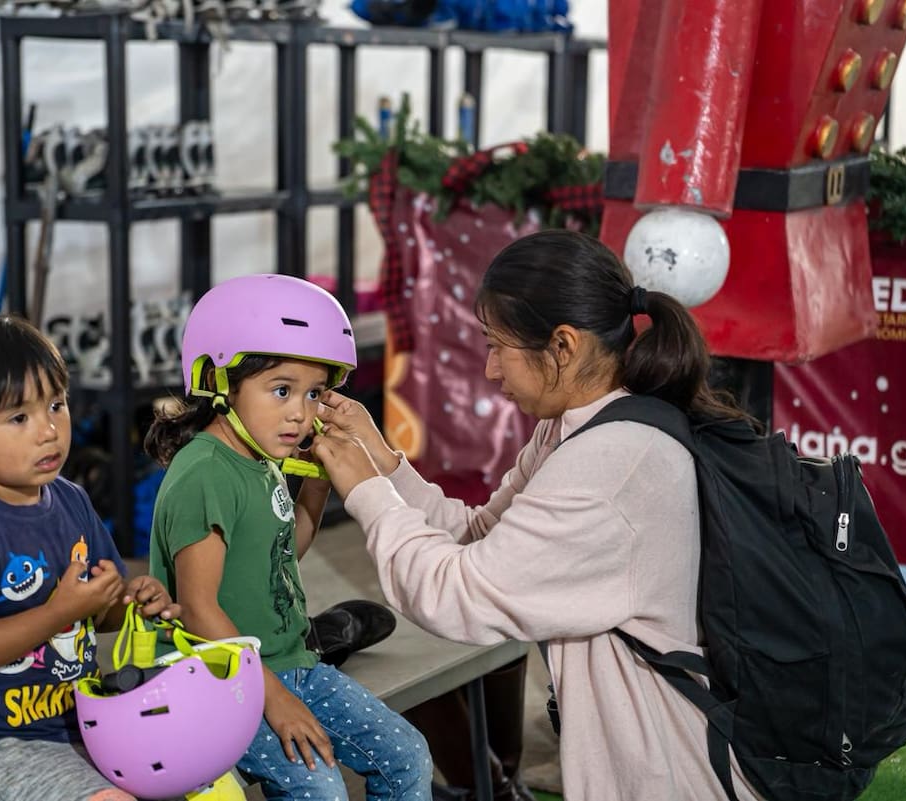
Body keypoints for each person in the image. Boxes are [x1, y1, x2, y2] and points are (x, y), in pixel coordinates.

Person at [311, 230, 764, 801]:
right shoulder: (585, 423)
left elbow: (460, 594)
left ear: (564, 346)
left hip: (670, 771)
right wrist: (382, 459)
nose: (491, 370)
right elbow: (480, 537)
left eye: (498, 346)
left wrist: (364, 491)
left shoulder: (611, 468)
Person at [145, 273, 434, 800]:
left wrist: (317, 486)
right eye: (281, 390)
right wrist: (275, 700)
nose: (301, 413)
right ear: (219, 381)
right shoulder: (205, 472)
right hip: (216, 681)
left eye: (315, 393)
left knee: (407, 756)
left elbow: (279, 556)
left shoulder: (261, 457)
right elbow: (199, 610)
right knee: (320, 788)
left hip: (291, 663)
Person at [0, 313, 181, 801]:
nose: (49, 431)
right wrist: (57, 612)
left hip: (83, 721)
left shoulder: (72, 501)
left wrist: (132, 604)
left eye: (56, 405)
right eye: (19, 418)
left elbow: (99, 608)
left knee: (194, 769)